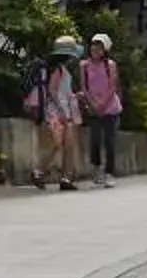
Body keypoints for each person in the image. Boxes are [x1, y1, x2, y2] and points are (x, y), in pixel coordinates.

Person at [23, 32, 85, 190]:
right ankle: (42, 172)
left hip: (63, 109)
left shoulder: (61, 69)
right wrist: (62, 111)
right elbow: (52, 91)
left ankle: (64, 177)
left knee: (65, 145)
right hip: (59, 111)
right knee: (59, 144)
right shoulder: (58, 70)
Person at [79, 33, 125, 187]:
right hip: (93, 108)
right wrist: (92, 104)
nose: (95, 50)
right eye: (93, 47)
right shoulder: (84, 65)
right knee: (95, 140)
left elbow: (113, 87)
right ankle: (97, 168)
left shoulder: (110, 65)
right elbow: (84, 87)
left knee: (109, 141)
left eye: (99, 48)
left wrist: (103, 104)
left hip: (110, 108)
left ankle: (110, 173)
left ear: (105, 50)